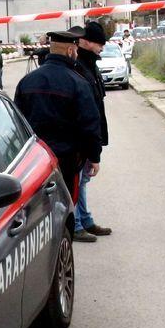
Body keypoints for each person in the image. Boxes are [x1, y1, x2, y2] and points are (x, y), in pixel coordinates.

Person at [14, 28, 104, 241]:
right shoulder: (78, 82)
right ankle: (62, 245)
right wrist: (94, 157)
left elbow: (17, 124)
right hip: (68, 160)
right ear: (72, 50)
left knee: (40, 209)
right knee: (65, 207)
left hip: (36, 162)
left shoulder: (27, 82)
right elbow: (90, 125)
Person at [71, 21, 112, 239]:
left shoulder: (90, 64)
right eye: (98, 43)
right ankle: (78, 225)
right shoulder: (79, 66)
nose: (101, 48)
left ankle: (84, 220)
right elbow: (86, 110)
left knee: (83, 180)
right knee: (79, 180)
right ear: (85, 42)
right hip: (82, 137)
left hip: (90, 135)